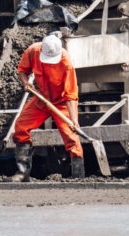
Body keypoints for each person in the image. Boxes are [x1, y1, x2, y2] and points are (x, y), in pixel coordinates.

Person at [12, 33, 83, 182]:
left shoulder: (66, 63)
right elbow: (22, 70)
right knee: (21, 126)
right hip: (42, 98)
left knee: (71, 136)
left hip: (61, 101)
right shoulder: (33, 51)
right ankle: (22, 173)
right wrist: (26, 82)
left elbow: (70, 94)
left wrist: (74, 120)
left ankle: (78, 176)